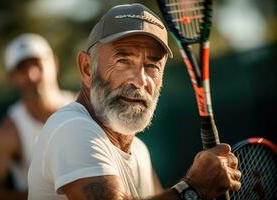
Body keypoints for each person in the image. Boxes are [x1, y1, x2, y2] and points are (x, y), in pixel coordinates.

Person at [28, 4, 241, 200]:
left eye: (151, 66)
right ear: (87, 68)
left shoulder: (139, 151)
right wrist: (195, 188)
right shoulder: (72, 129)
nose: (140, 81)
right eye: (123, 61)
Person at [0, 33, 75, 200]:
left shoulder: (87, 108)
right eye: (22, 69)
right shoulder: (8, 131)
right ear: (12, 78)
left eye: (37, 64)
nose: (32, 75)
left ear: (54, 63)